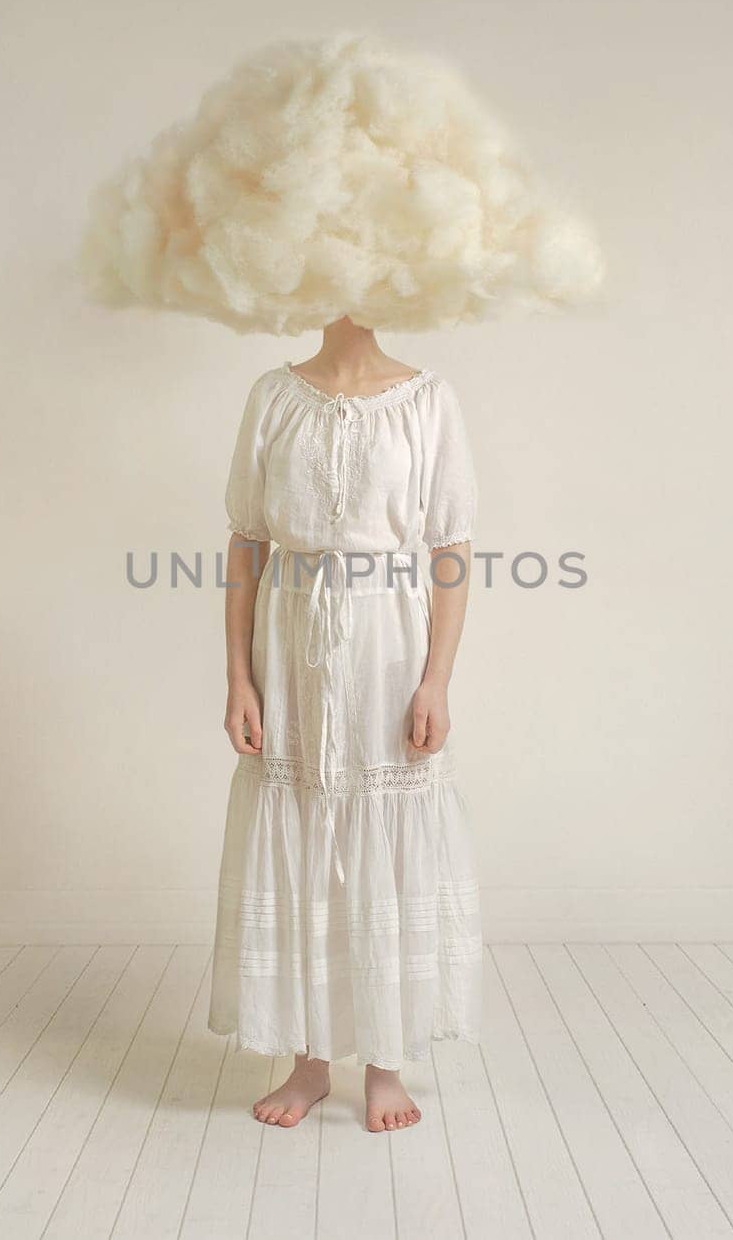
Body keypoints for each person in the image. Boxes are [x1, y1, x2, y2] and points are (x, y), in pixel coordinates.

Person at [208, 314, 484, 1132]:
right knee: (301, 822)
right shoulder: (273, 396)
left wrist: (436, 677)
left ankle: (387, 1062)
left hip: (388, 644)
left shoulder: (428, 399)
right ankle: (309, 1060)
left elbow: (451, 546)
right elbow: (247, 541)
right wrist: (238, 676)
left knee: (384, 824)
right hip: (291, 642)